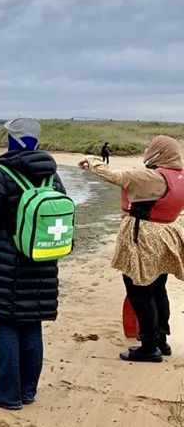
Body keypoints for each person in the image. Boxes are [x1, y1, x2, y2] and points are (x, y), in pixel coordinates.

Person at [0, 116, 67, 410]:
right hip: (42, 261)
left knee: (7, 324)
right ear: (36, 141)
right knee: (31, 323)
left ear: (12, 140)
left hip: (7, 263)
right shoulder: (51, 174)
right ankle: (27, 390)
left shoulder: (2, 172)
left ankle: (7, 393)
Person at [78, 135, 184, 362]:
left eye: (151, 148)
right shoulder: (178, 176)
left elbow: (116, 176)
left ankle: (148, 346)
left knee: (139, 289)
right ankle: (161, 341)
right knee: (158, 288)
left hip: (144, 236)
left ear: (159, 153)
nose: (147, 150)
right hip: (166, 234)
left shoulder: (153, 178)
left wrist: (92, 160)